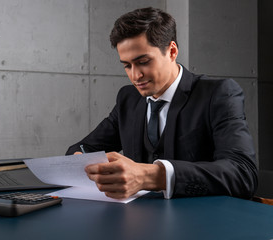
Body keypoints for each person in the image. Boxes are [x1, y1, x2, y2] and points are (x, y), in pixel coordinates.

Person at [66, 7, 257, 199]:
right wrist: (80, 161)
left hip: (201, 222)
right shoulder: (128, 98)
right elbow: (83, 148)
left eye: (144, 61)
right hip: (137, 222)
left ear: (172, 51)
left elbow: (242, 174)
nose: (135, 75)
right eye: (127, 65)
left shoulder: (218, 93)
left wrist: (152, 176)